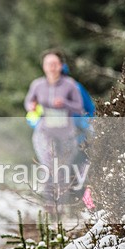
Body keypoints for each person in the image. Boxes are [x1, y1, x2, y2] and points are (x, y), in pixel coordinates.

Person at [24, 50, 85, 213]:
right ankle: (49, 205)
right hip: (44, 132)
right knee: (48, 166)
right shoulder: (37, 85)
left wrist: (64, 102)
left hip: (66, 133)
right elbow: (28, 102)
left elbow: (79, 107)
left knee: (63, 169)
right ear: (43, 66)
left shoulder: (70, 84)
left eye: (54, 64)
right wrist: (31, 106)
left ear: (60, 65)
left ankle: (63, 207)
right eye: (48, 64)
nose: (51, 67)